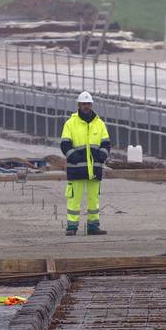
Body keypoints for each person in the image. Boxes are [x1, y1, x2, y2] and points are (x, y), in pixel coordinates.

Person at [60, 91, 111, 235]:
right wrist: (75, 158)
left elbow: (106, 144)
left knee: (94, 200)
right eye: (83, 104)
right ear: (79, 105)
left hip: (94, 169)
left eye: (88, 104)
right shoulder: (70, 123)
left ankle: (93, 226)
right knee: (74, 200)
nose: (86, 106)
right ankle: (71, 227)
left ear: (91, 105)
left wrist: (102, 156)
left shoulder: (100, 124)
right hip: (76, 169)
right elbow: (65, 144)